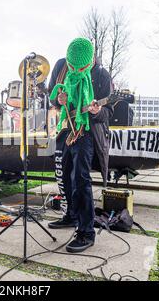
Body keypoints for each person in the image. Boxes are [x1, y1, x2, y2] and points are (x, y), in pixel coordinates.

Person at [47, 38, 113, 253]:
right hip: (65, 129)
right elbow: (52, 96)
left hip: (86, 133)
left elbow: (108, 112)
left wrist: (97, 111)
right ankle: (71, 215)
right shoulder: (61, 65)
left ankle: (86, 232)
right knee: (64, 176)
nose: (74, 70)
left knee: (80, 179)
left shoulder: (101, 75)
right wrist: (59, 99)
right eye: (71, 66)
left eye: (80, 68)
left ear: (91, 60)